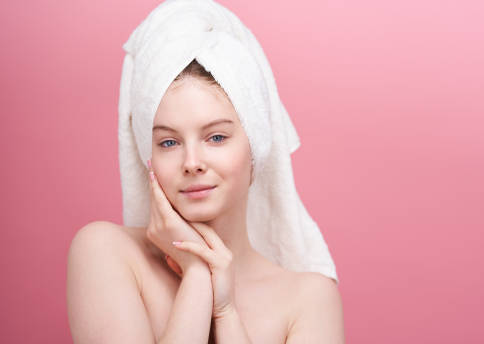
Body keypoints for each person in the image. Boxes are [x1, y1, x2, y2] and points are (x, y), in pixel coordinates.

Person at [66, 1, 344, 343]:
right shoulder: (106, 252)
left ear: (254, 146)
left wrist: (225, 311)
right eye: (168, 142)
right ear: (146, 155)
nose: (192, 162)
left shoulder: (308, 299)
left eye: (216, 137)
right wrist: (198, 275)